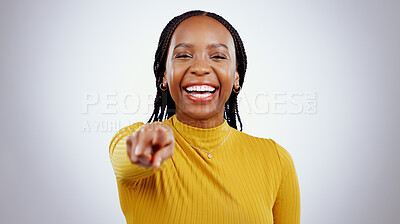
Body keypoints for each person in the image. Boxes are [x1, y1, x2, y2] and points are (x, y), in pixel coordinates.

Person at [109, 10, 300, 223]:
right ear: (164, 74)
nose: (200, 68)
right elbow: (126, 158)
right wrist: (148, 147)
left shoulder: (275, 159)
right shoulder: (135, 137)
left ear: (236, 76)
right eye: (183, 55)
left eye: (218, 56)